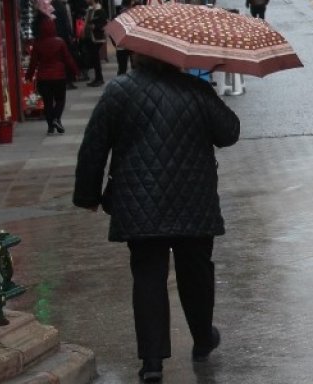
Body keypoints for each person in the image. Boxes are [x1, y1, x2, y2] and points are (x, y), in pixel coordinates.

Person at [73, 52, 240, 383]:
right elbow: (229, 133)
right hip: (194, 202)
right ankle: (203, 339)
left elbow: (94, 146)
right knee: (197, 273)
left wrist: (88, 196)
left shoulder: (119, 90)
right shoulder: (197, 89)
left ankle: (152, 362)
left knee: (148, 276)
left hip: (139, 205)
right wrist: (209, 91)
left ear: (136, 54)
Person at [27, 16, 79, 135]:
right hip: (59, 76)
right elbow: (68, 58)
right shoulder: (60, 42)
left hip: (43, 77)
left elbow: (33, 62)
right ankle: (56, 118)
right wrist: (75, 71)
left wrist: (29, 75)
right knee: (60, 99)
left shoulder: (38, 44)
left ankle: (50, 126)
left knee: (47, 102)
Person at [80, 0, 109, 86]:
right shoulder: (90, 10)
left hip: (97, 38)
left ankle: (99, 78)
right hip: (90, 37)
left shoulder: (100, 10)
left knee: (95, 58)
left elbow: (103, 23)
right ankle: (98, 78)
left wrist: (95, 26)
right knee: (94, 57)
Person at [114, 0, 140, 75]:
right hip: (132, 44)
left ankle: (120, 83)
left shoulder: (117, 15)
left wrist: (116, 42)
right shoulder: (133, 15)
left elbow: (113, 31)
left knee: (122, 68)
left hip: (121, 45)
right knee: (135, 68)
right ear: (130, 4)